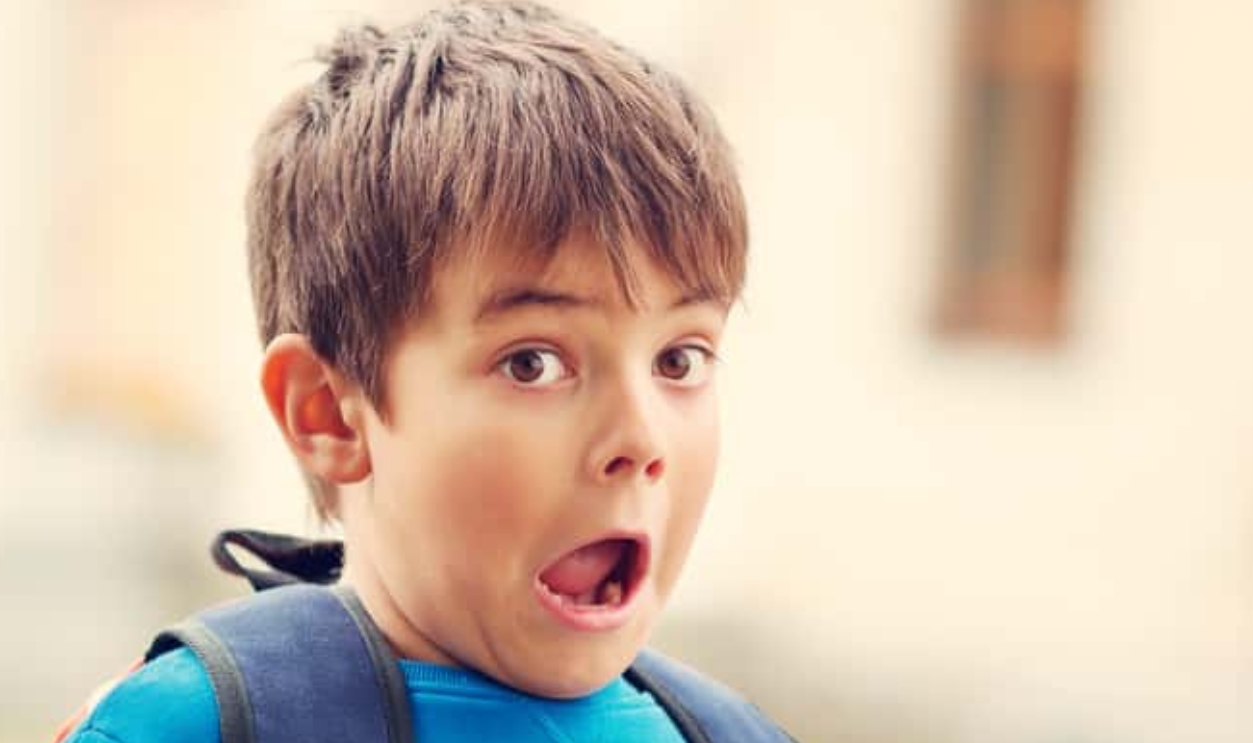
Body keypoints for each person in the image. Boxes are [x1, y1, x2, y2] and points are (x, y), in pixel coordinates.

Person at [58, 2, 793, 741]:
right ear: (329, 412)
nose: (639, 437)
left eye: (679, 359)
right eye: (532, 363)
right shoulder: (198, 723)